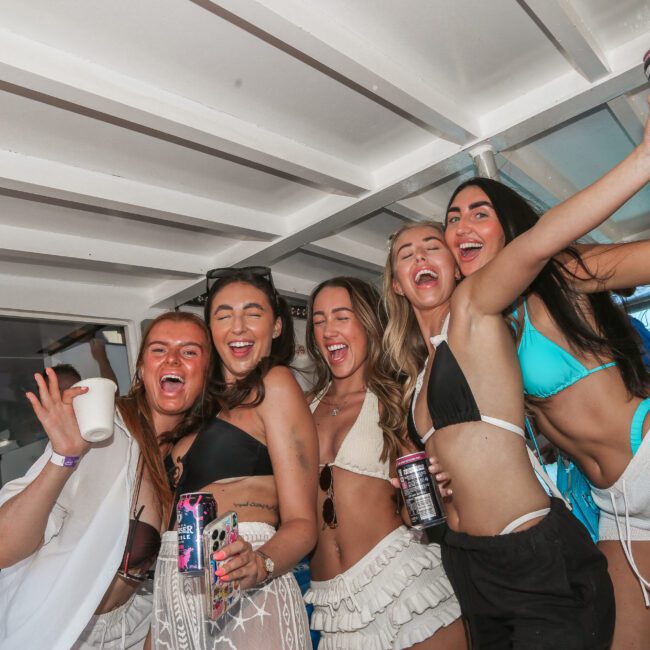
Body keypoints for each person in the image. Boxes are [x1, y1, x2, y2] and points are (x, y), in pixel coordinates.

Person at [381, 133, 650, 646]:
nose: (461, 226)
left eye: (478, 213)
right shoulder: (483, 330)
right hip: (610, 499)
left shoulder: (556, 274)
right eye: (452, 220)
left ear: (508, 227)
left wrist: (643, 161)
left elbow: (546, 240)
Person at [0, 311, 211, 650]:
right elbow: (4, 547)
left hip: (127, 632)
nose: (173, 358)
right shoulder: (101, 433)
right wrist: (63, 456)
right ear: (141, 369)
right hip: (56, 632)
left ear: (205, 374)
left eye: (189, 351)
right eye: (159, 350)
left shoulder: (194, 456)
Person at [153, 266, 318, 650]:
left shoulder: (275, 385)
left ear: (277, 326)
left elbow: (302, 523)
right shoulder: (197, 409)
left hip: (247, 592)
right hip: (175, 596)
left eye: (252, 314)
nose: (238, 327)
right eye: (223, 316)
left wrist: (260, 563)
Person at [303, 277, 464, 650]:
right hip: (332, 602)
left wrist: (438, 490)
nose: (329, 331)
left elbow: (416, 513)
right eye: (319, 320)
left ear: (368, 323)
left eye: (341, 317)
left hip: (399, 580)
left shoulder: (397, 396)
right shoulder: (302, 406)